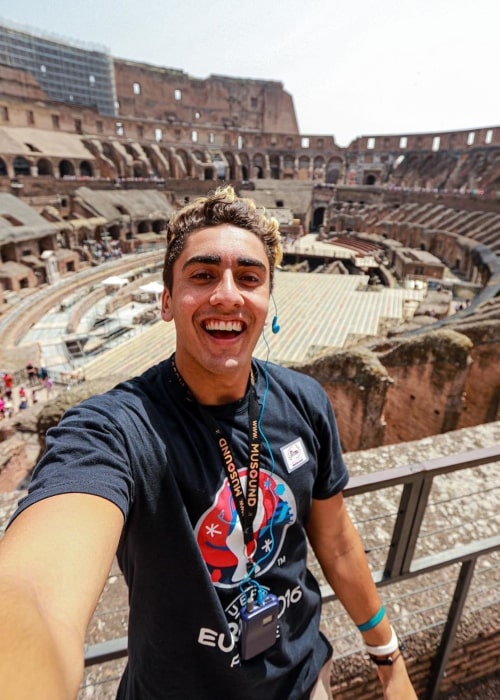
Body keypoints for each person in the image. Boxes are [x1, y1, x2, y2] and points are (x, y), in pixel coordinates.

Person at [0, 187, 417, 700]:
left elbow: (337, 543)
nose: (227, 295)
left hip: (303, 681)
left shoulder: (305, 401)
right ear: (167, 303)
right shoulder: (115, 429)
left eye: (248, 277)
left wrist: (387, 655)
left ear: (266, 301)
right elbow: (36, 589)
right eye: (202, 275)